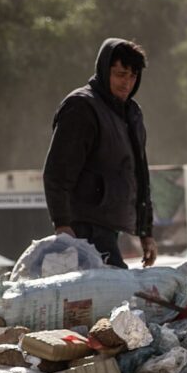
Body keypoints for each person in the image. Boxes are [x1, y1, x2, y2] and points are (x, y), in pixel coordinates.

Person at [43, 38, 157, 269]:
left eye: (132, 76)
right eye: (120, 74)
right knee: (115, 294)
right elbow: (57, 171)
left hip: (111, 226)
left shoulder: (131, 114)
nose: (126, 83)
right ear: (105, 71)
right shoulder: (82, 107)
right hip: (84, 227)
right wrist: (63, 224)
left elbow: (140, 175)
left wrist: (145, 232)